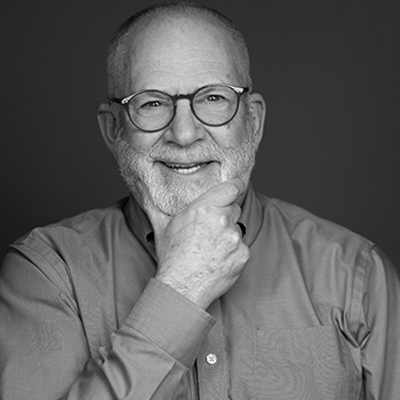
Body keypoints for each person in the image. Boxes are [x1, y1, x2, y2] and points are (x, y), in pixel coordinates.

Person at [0, 2, 399, 399]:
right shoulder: (47, 273)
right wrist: (180, 289)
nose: (185, 133)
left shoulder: (357, 275)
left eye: (213, 99)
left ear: (253, 121)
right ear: (112, 129)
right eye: (152, 103)